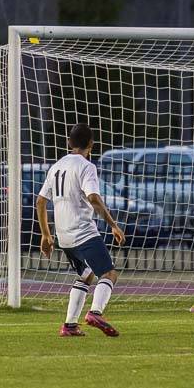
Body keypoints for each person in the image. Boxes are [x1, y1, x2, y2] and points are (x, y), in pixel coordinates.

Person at [36, 123, 125, 337]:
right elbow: (93, 198)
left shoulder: (56, 166)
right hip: (83, 232)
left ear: (69, 142)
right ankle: (95, 313)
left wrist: (46, 235)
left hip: (64, 236)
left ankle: (69, 325)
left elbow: (40, 201)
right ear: (91, 144)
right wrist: (113, 225)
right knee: (109, 273)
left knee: (86, 275)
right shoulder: (86, 167)